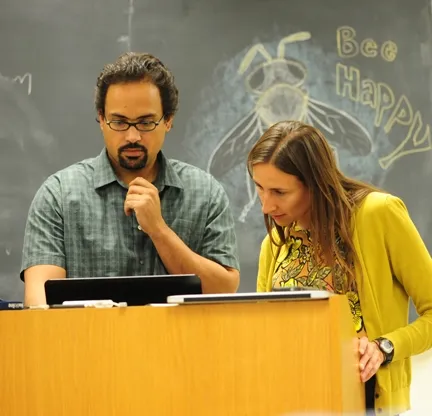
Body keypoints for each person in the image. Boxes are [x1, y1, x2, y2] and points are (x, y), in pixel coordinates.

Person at [21, 52, 240, 306]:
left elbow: (224, 291)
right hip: (89, 345)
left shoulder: (206, 193)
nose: (133, 136)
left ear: (168, 120)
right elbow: (40, 307)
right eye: (119, 122)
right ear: (101, 119)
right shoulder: (57, 196)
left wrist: (159, 230)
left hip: (179, 345)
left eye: (146, 123)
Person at [248, 120, 432, 415]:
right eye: (260, 188)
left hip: (367, 402)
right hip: (290, 402)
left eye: (279, 192)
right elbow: (262, 332)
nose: (266, 206)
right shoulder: (273, 245)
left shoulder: (377, 214)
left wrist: (385, 347)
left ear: (315, 183)